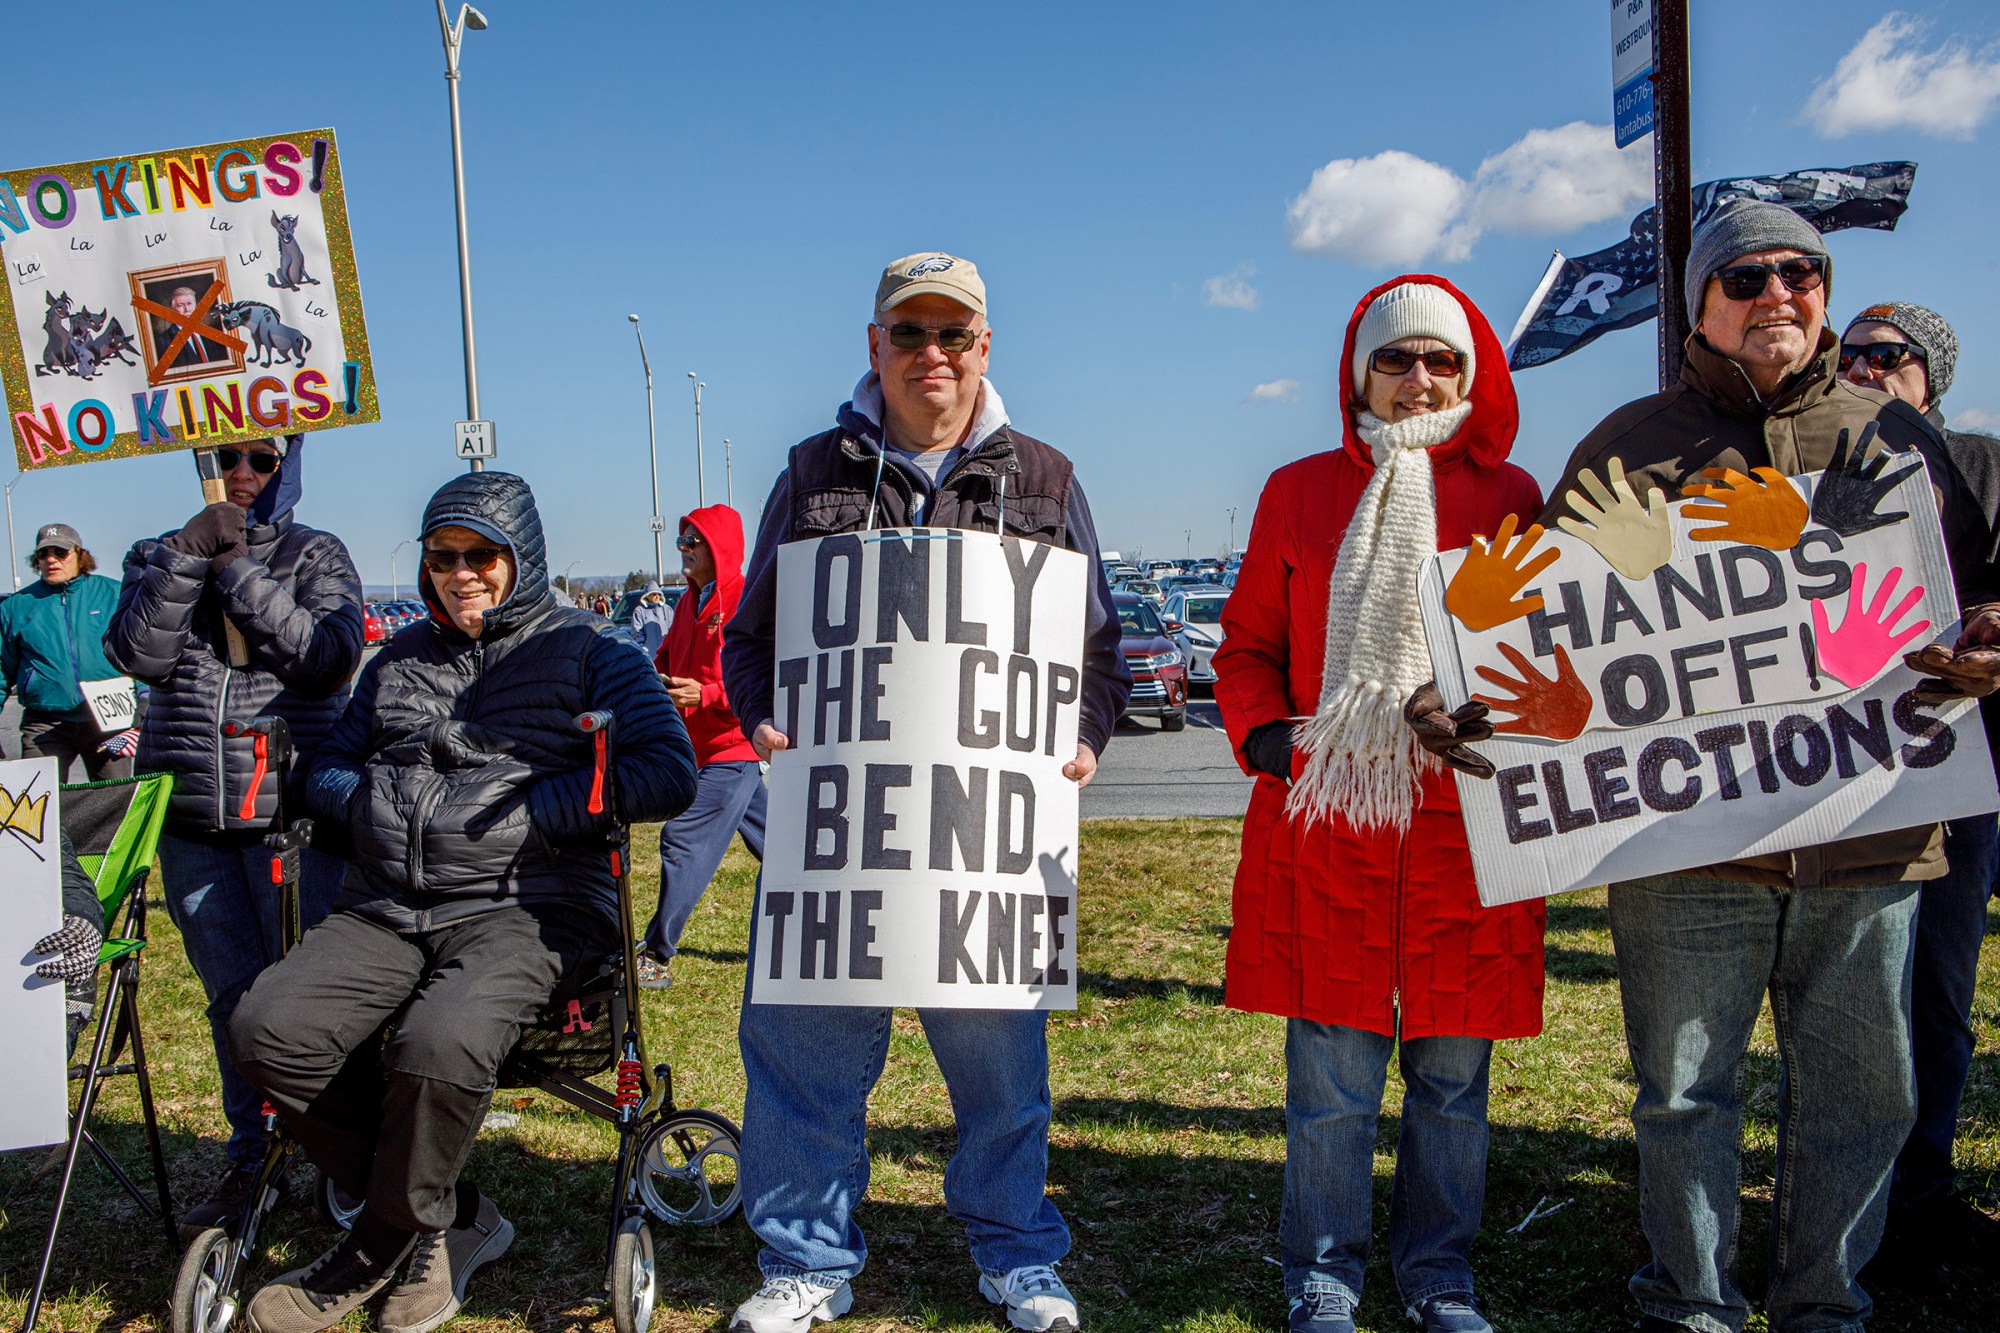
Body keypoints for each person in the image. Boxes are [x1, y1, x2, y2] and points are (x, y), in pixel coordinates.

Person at [1403, 201, 2000, 1333]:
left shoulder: (1895, 436)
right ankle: (1687, 1303)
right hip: (1682, 847)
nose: (1775, 293)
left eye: (1799, 272)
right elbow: (1537, 622)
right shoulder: (1627, 442)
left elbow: (1974, 582)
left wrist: (1985, 638)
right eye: (1744, 277)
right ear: (1698, 302)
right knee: (1683, 1093)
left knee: (1862, 1093)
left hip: (1867, 819)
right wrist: (1458, 690)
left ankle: (1823, 1302)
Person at [719, 251, 1130, 1333]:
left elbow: (1098, 654)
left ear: (984, 347)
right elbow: (749, 636)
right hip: (837, 834)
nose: (931, 353)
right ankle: (803, 1258)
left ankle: (1016, 1252)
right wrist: (762, 713)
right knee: (800, 1053)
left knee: (1001, 1066)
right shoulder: (814, 473)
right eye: (909, 333)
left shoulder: (1043, 477)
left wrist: (1079, 736)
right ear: (874, 347)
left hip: (979, 846)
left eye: (953, 333)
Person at [227, 471, 697, 1333]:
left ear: (523, 555)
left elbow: (668, 769)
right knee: (267, 1026)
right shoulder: (396, 660)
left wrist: (540, 813)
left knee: (437, 1038)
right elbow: (326, 762)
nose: (461, 572)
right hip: (389, 903)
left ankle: (372, 1249)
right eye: (442, 556)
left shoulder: (595, 649)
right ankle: (435, 1222)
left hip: (533, 900)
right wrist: (356, 797)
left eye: (482, 554)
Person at [1216, 277, 1544, 1333]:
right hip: (1330, 819)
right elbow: (1244, 649)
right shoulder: (1298, 490)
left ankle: (1438, 1271)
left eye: (1440, 360)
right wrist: (1269, 737)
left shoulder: (1511, 496)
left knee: (1452, 1080)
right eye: (1395, 359)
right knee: (1331, 1079)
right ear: (1360, 372)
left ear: (1471, 373)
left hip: (1463, 828)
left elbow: (1552, 656)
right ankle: (1321, 1272)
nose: (1417, 379)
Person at [103, 436, 363, 1233]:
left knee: (300, 1000)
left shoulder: (318, 553)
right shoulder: (157, 552)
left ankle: (335, 1152)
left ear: (287, 467)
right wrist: (189, 554)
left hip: (287, 815)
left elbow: (326, 656)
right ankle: (252, 1155)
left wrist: (240, 570)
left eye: (260, 459)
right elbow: (135, 653)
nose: (243, 474)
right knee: (230, 999)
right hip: (191, 821)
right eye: (226, 458)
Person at [1838, 301, 2000, 1275]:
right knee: (1838, 1000)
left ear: (1928, 374)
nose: (1860, 367)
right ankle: (1833, 1211)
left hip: (1952, 772)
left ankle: (1921, 1196)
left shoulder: (1981, 464)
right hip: (1824, 774)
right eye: (1845, 353)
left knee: (1932, 992)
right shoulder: (1809, 478)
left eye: (1885, 355)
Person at [636, 506, 764, 989]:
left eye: (694, 541)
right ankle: (837, 924)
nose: (683, 549)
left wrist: (707, 694)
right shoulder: (691, 599)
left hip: (733, 749)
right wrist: (650, 671)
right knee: (790, 850)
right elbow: (667, 651)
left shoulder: (744, 597)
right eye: (682, 540)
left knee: (683, 839)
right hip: (700, 749)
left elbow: (762, 676)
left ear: (720, 547)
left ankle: (658, 956)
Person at [0, 522, 136, 780]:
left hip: (108, 720)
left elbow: (141, 651)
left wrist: (145, 698)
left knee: (114, 805)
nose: (51, 559)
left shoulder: (113, 593)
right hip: (44, 724)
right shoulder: (15, 607)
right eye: (44, 554)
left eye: (60, 552)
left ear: (79, 555)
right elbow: (1, 669)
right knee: (39, 805)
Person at [155, 285, 225, 367]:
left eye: (189, 304)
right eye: (180, 305)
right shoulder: (163, 341)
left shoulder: (209, 334)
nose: (187, 309)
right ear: (172, 310)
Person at [631, 580, 673, 658]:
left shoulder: (667, 609)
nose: (657, 596)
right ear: (648, 595)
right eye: (654, 594)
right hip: (649, 655)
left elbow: (673, 629)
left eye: (659, 594)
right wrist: (643, 648)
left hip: (666, 654)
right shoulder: (640, 611)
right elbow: (637, 632)